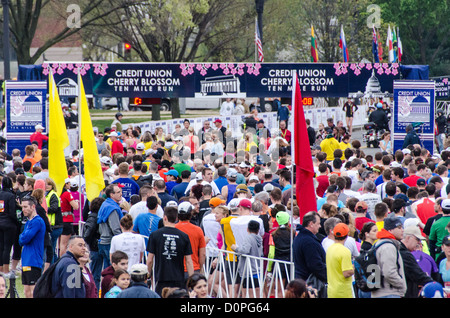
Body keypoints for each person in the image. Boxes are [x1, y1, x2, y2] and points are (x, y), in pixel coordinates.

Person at [146, 206, 194, 296]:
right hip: (178, 277)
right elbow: (189, 261)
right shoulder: (184, 236)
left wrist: (147, 275)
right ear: (176, 218)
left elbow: (149, 260)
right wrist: (192, 280)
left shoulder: (155, 235)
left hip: (161, 277)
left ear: (165, 217)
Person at [371, 217, 407, 298]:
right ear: (390, 230)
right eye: (399, 227)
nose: (402, 230)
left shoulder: (379, 243)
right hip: (389, 293)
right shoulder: (388, 247)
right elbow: (389, 272)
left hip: (382, 293)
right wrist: (402, 285)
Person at [18, 195, 46, 298]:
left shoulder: (37, 221)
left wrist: (22, 236)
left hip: (33, 261)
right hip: (26, 260)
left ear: (33, 206)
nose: (23, 209)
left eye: (25, 207)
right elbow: (20, 240)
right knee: (26, 292)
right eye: (22, 207)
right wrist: (22, 237)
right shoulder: (28, 222)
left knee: (33, 291)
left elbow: (24, 238)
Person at [292, 211, 327, 284]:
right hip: (309, 282)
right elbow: (315, 265)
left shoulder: (299, 237)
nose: (320, 226)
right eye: (318, 224)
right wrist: (328, 277)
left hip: (301, 280)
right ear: (311, 224)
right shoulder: (309, 241)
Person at [231, 220, 263, 297]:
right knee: (256, 293)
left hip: (248, 270)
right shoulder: (259, 239)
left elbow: (245, 250)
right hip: (257, 269)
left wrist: (236, 249)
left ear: (247, 229)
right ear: (258, 230)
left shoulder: (249, 238)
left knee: (247, 293)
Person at [400, 225, 434, 298]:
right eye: (417, 239)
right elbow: (418, 275)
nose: (419, 243)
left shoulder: (398, 250)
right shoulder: (405, 254)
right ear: (408, 238)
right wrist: (434, 285)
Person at [175, 201, 206, 279]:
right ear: (190, 214)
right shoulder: (198, 230)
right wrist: (200, 267)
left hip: (175, 268)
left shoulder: (173, 229)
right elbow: (202, 253)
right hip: (193, 268)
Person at [97, 184, 124, 271]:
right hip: (109, 242)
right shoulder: (112, 208)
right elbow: (115, 228)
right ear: (112, 194)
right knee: (112, 270)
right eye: (118, 192)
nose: (121, 194)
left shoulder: (105, 204)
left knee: (107, 270)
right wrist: (122, 240)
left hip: (104, 241)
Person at [325, 223, 354, 298]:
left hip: (331, 291)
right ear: (347, 235)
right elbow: (346, 273)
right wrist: (355, 268)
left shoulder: (330, 249)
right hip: (343, 292)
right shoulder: (345, 251)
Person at [0, 176, 19, 276]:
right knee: (7, 247)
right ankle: (6, 270)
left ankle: (1, 269)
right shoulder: (10, 196)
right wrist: (17, 222)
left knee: (1, 246)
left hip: (0, 222)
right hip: (9, 223)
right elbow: (12, 212)